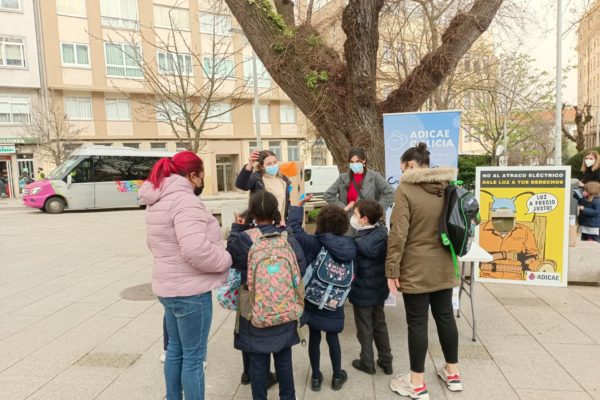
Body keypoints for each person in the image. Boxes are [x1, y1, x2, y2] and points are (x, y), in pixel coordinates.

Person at [138, 151, 233, 400]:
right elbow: (195, 249)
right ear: (192, 175)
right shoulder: (184, 200)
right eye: (202, 176)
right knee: (193, 358)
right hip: (190, 292)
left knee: (175, 351)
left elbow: (155, 243)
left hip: (168, 287)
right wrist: (226, 259)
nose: (202, 182)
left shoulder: (158, 198)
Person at [385, 143, 462, 400]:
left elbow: (398, 233)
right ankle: (453, 373)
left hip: (416, 267)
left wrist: (392, 268)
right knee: (445, 318)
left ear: (409, 165)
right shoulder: (447, 187)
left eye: (402, 167)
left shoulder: (406, 189)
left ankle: (417, 383)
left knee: (417, 323)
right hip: (444, 264)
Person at [227, 190, 307, 400]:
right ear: (275, 211)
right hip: (285, 309)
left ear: (252, 212)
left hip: (256, 312)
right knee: (284, 360)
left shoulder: (245, 238)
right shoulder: (286, 236)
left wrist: (237, 227)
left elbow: (231, 259)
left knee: (258, 364)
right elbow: (301, 267)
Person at [288, 200, 357, 392]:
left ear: (320, 223)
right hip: (335, 302)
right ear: (343, 225)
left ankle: (316, 378)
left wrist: (297, 206)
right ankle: (336, 376)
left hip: (313, 298)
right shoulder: (351, 247)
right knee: (333, 337)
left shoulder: (313, 242)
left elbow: (293, 227)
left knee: (315, 337)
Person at [348, 199, 393, 376]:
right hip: (380, 289)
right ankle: (386, 360)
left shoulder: (357, 242)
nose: (353, 217)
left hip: (362, 292)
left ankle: (367, 361)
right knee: (380, 324)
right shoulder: (383, 234)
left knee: (364, 327)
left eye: (356, 214)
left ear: (365, 219)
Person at [324, 148, 395, 232]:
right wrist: (343, 208)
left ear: (364, 161)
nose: (354, 164)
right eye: (352, 162)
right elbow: (328, 195)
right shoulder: (343, 178)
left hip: (368, 224)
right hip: (348, 224)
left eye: (357, 161)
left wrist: (376, 211)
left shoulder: (375, 176)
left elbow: (391, 193)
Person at [235, 149, 292, 223]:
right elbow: (241, 185)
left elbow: (286, 202)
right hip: (262, 224)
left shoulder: (283, 180)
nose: (273, 165)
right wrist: (250, 165)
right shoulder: (257, 178)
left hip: (280, 224)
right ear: (262, 166)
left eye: (275, 162)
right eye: (269, 164)